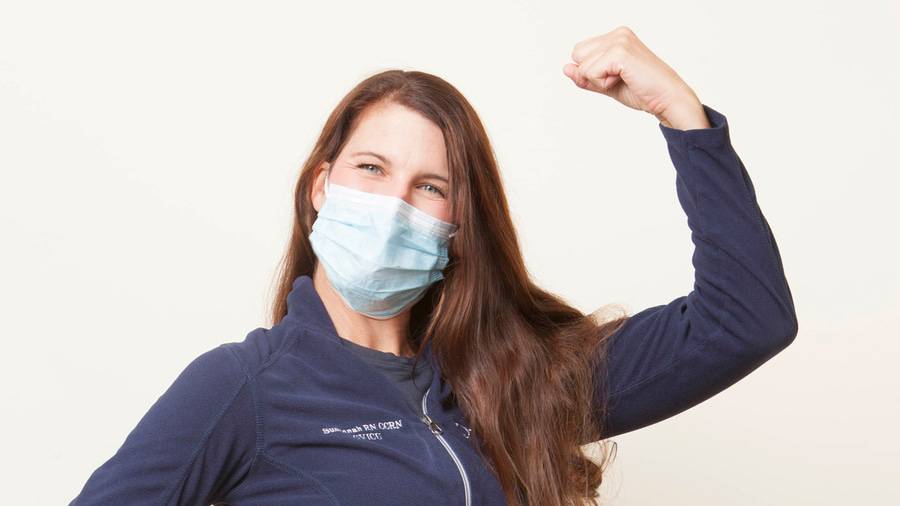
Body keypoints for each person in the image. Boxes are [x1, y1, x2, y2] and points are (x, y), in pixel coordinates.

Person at [69, 27, 798, 506]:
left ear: (455, 226)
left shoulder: (512, 378)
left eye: (429, 187)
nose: (394, 204)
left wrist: (681, 114)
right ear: (322, 187)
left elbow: (746, 320)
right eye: (372, 169)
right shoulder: (245, 388)